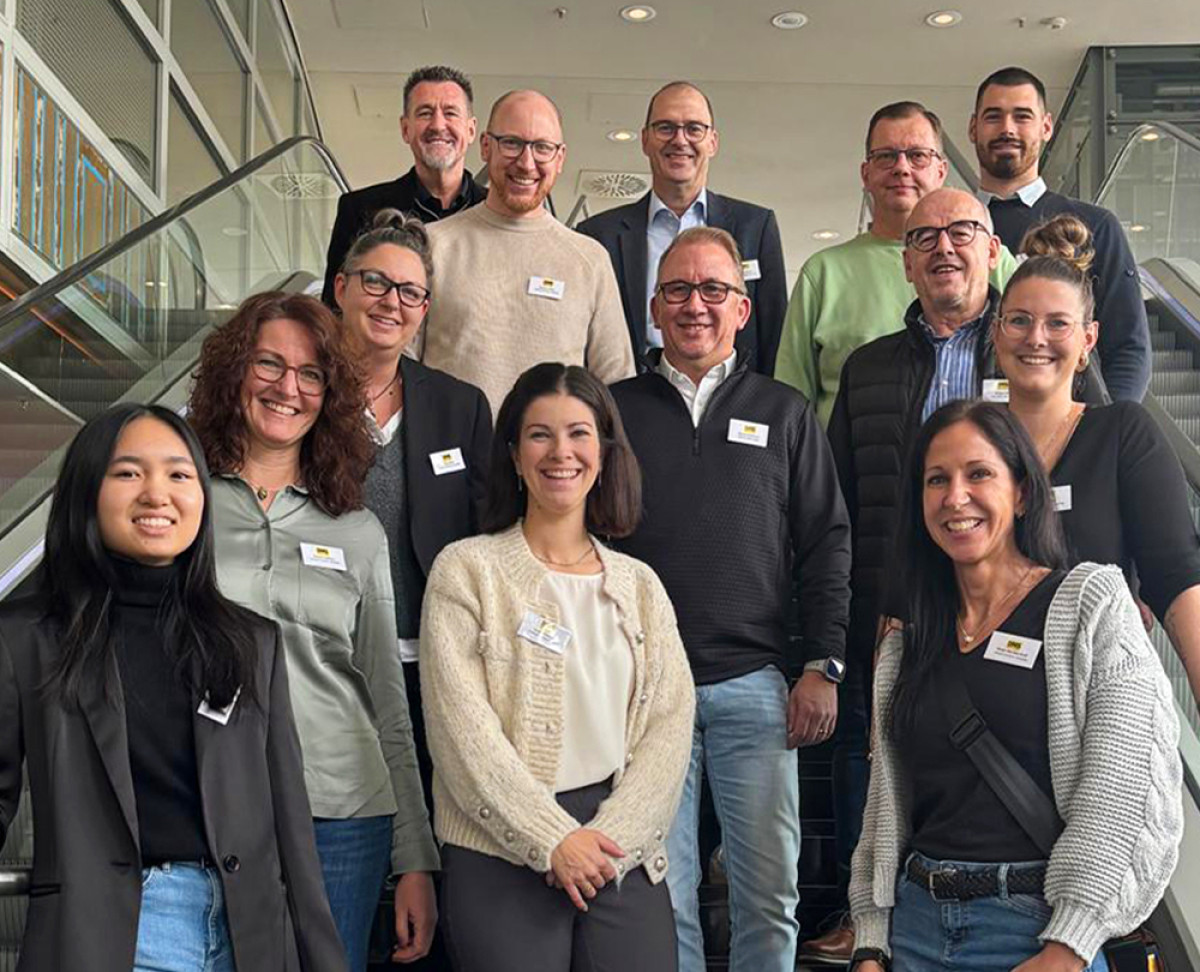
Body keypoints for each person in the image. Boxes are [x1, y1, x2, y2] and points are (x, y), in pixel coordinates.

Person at [774, 105, 1015, 964]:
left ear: (992, 249)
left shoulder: (1029, 353)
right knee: (868, 756)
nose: (943, 249)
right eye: (924, 240)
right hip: (887, 595)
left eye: (961, 233)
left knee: (993, 747)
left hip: (1007, 597)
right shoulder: (871, 365)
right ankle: (862, 916)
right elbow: (832, 501)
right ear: (905, 262)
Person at [0, 403, 347, 972]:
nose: (157, 494)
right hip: (112, 938)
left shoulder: (251, 640)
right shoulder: (25, 637)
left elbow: (289, 823)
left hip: (249, 935)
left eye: (180, 474)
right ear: (87, 491)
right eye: (128, 472)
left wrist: (322, 957)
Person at [849, 400, 1182, 972]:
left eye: (978, 473)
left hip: (1036, 931)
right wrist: (870, 943)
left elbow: (1123, 785)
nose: (956, 497)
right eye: (937, 480)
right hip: (915, 930)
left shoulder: (1090, 604)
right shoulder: (907, 643)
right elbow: (886, 808)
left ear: (1023, 492)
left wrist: (1068, 945)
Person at [610, 227, 852, 972]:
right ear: (654, 307)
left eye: (714, 289)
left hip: (755, 686)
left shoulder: (785, 412)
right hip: (643, 692)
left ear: (743, 310)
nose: (696, 305)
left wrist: (823, 664)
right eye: (678, 290)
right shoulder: (613, 411)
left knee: (769, 896)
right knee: (665, 893)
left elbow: (826, 541)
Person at [188, 293, 439, 972]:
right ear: (234, 373)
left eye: (310, 375)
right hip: (208, 800)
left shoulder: (356, 531)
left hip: (343, 813)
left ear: (330, 396)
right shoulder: (183, 503)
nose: (287, 388)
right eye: (268, 364)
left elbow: (385, 699)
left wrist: (414, 858)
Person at [419, 363, 695, 972]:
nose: (560, 452)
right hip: (498, 847)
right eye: (539, 435)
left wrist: (608, 840)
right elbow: (462, 734)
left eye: (579, 433)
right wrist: (552, 839)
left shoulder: (640, 586)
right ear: (514, 456)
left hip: (617, 846)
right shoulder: (466, 571)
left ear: (604, 453)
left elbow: (670, 728)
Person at [332, 209, 493, 970]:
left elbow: (487, 535)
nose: (391, 302)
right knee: (346, 857)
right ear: (340, 288)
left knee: (433, 865)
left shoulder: (459, 406)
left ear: (426, 308)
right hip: (330, 665)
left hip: (433, 666)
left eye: (410, 292)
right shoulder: (302, 395)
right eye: (376, 282)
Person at [993, 214, 1200, 705]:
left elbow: (1176, 574)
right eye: (1019, 320)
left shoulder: (1122, 434)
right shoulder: (969, 442)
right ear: (997, 333)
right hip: (984, 702)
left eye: (1057, 323)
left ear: (1088, 340)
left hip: (1099, 700)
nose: (1036, 338)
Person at [774, 101, 1019, 427]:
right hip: (856, 456)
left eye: (918, 156)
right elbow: (791, 403)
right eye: (886, 156)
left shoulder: (991, 263)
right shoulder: (822, 274)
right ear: (866, 173)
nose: (901, 168)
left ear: (941, 170)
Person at [422, 90, 635, 414]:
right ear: (485, 146)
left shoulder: (590, 261)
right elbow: (399, 369)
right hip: (450, 445)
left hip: (552, 447)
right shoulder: (432, 245)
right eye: (511, 143)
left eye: (542, 147)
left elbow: (616, 388)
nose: (526, 162)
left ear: (560, 158)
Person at [577, 81, 787, 374]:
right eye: (665, 128)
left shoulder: (756, 227)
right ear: (645, 140)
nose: (679, 140)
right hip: (629, 395)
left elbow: (775, 335)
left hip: (733, 395)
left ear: (712, 141)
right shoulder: (598, 236)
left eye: (694, 129)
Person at [970, 65, 1150, 402]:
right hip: (972, 421)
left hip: (1074, 421)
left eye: (1022, 116)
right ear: (973, 128)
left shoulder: (1095, 226)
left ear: (1046, 127)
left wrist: (1111, 424)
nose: (1007, 128)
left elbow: (1129, 346)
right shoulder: (952, 233)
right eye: (993, 116)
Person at [321, 66, 486, 305]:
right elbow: (334, 306)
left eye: (450, 113)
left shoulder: (496, 211)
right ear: (405, 129)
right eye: (425, 113)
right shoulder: (359, 209)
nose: (438, 125)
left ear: (470, 130)